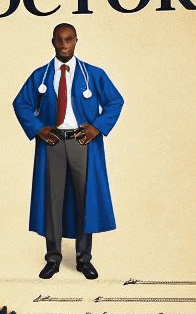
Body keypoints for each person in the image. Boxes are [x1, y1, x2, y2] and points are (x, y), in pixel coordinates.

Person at [12, 23, 124, 281]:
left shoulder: (93, 75)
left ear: (76, 41)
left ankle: (84, 260)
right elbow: (21, 103)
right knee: (52, 201)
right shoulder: (41, 76)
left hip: (83, 142)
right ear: (52, 41)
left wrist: (97, 128)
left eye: (69, 39)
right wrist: (38, 129)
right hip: (52, 143)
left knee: (85, 200)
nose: (64, 45)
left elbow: (115, 101)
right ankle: (53, 259)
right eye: (59, 40)